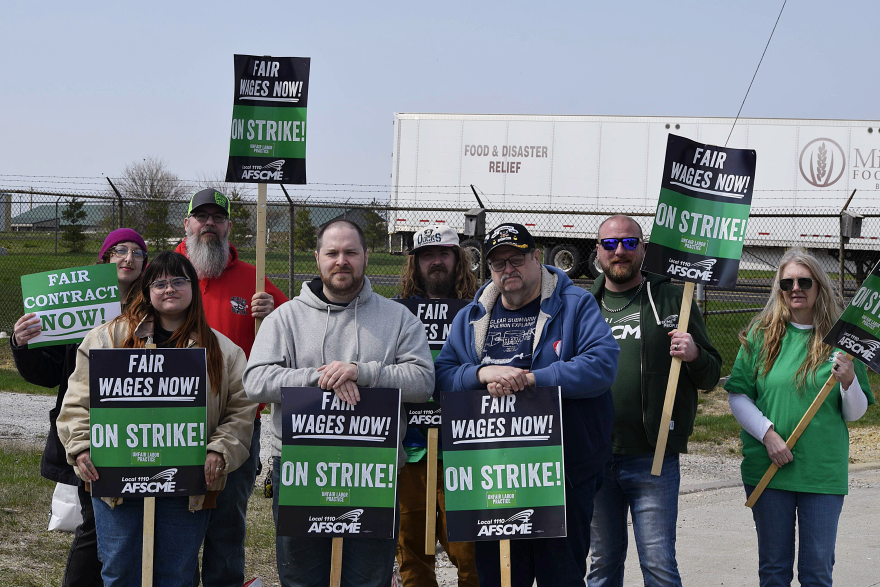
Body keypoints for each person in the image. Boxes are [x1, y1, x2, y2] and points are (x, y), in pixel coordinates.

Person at [243, 218, 435, 587]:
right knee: (301, 579)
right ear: (317, 258)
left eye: (351, 252)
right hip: (301, 470)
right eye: (332, 252)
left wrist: (363, 372)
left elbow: (423, 381)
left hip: (373, 471)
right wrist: (319, 377)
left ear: (366, 256)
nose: (341, 260)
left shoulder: (398, 319)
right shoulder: (285, 319)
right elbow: (254, 382)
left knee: (367, 579)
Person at [57, 251, 258, 587]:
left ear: (193, 288)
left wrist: (220, 450)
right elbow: (76, 402)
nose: (169, 289)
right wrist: (81, 447)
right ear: (146, 290)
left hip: (186, 484)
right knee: (120, 572)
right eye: (160, 283)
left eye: (178, 281)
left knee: (175, 575)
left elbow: (241, 410)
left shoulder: (223, 352)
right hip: (117, 479)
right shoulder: (107, 340)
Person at [434, 223, 620, 587]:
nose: (508, 270)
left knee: (562, 577)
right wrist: (481, 374)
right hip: (492, 478)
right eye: (498, 263)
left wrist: (533, 379)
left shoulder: (575, 305)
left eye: (516, 259)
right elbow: (443, 376)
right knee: (499, 578)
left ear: (537, 258)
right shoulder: (472, 317)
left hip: (563, 475)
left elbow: (602, 365)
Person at [725, 247, 873, 587]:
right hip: (769, 469)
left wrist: (849, 380)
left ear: (818, 286)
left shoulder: (843, 341)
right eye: (787, 282)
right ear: (778, 288)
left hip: (821, 474)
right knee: (774, 572)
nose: (796, 288)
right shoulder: (761, 336)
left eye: (805, 281)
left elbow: (855, 413)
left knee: (817, 572)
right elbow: (738, 395)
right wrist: (768, 435)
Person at [587, 215, 722, 587]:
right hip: (595, 456)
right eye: (610, 244)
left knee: (659, 566)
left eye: (630, 243)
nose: (619, 251)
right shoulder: (582, 306)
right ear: (597, 251)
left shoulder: (673, 299)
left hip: (653, 456)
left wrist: (695, 354)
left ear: (643, 248)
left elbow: (711, 376)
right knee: (601, 566)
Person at [10, 227, 148, 587]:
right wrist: (22, 344)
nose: (128, 257)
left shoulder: (157, 307)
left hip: (143, 434)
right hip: (91, 434)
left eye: (136, 252)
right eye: (119, 250)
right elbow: (47, 374)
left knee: (138, 528)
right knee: (96, 528)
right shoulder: (74, 308)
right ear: (104, 260)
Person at [174, 187, 288, 587]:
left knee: (226, 521)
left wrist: (272, 315)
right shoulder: (166, 274)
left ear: (229, 227)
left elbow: (294, 331)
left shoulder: (253, 279)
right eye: (201, 217)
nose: (209, 224)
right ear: (186, 224)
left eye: (217, 218)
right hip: (174, 420)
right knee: (176, 519)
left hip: (239, 421)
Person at [395, 224, 479, 587]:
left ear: (458, 259)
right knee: (412, 550)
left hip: (465, 449)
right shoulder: (394, 314)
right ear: (415, 264)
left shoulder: (482, 310)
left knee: (471, 553)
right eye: (427, 255)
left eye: (443, 253)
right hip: (411, 449)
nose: (436, 261)